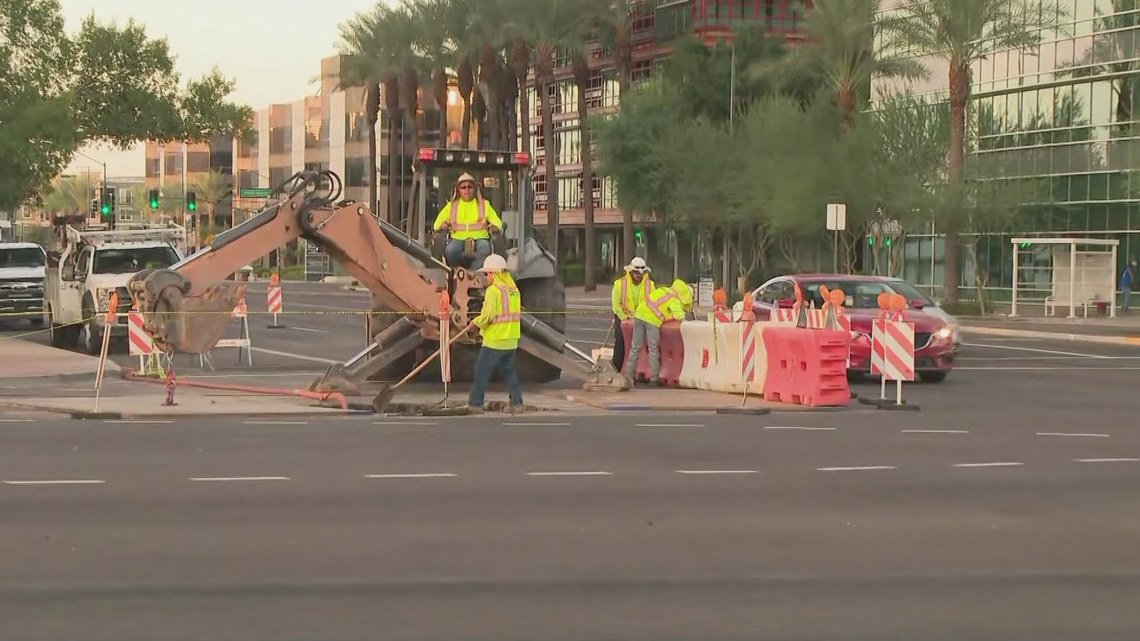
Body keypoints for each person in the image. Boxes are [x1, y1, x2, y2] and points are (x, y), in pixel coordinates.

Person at [468, 254, 524, 413]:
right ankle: (517, 403)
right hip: (511, 340)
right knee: (509, 372)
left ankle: (475, 404)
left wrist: (474, 323)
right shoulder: (514, 290)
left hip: (495, 340)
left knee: (481, 371)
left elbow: (488, 316)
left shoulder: (493, 291)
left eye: (487, 274)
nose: (485, 277)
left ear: (495, 273)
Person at [623, 279, 693, 386]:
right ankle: (654, 378)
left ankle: (628, 376)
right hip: (652, 320)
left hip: (639, 314)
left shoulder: (663, 290)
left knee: (635, 347)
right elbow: (677, 312)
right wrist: (683, 320)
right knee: (653, 349)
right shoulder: (675, 299)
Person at [432, 173, 504, 269]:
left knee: (485, 248)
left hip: (480, 238)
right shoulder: (451, 205)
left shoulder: (484, 204)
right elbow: (436, 225)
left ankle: (473, 273)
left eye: (470, 187)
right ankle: (456, 273)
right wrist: (442, 226)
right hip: (457, 238)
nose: (467, 190)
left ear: (475, 188)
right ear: (458, 189)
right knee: (450, 250)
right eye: (463, 187)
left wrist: (495, 227)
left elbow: (498, 223)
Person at [609, 257, 654, 371]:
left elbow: (653, 303)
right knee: (620, 342)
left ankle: (642, 372)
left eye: (641, 273)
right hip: (623, 318)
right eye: (636, 272)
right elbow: (616, 305)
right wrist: (625, 318)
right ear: (630, 271)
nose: (638, 275)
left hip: (642, 319)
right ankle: (616, 370)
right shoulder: (619, 284)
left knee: (644, 345)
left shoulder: (650, 285)